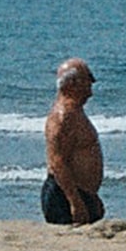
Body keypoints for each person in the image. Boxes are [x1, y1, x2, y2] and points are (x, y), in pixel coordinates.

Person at [43, 58, 105, 226]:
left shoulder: (75, 112)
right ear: (72, 84)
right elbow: (58, 162)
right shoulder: (63, 117)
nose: (90, 90)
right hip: (64, 195)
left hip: (82, 192)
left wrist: (91, 195)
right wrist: (75, 202)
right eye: (88, 81)